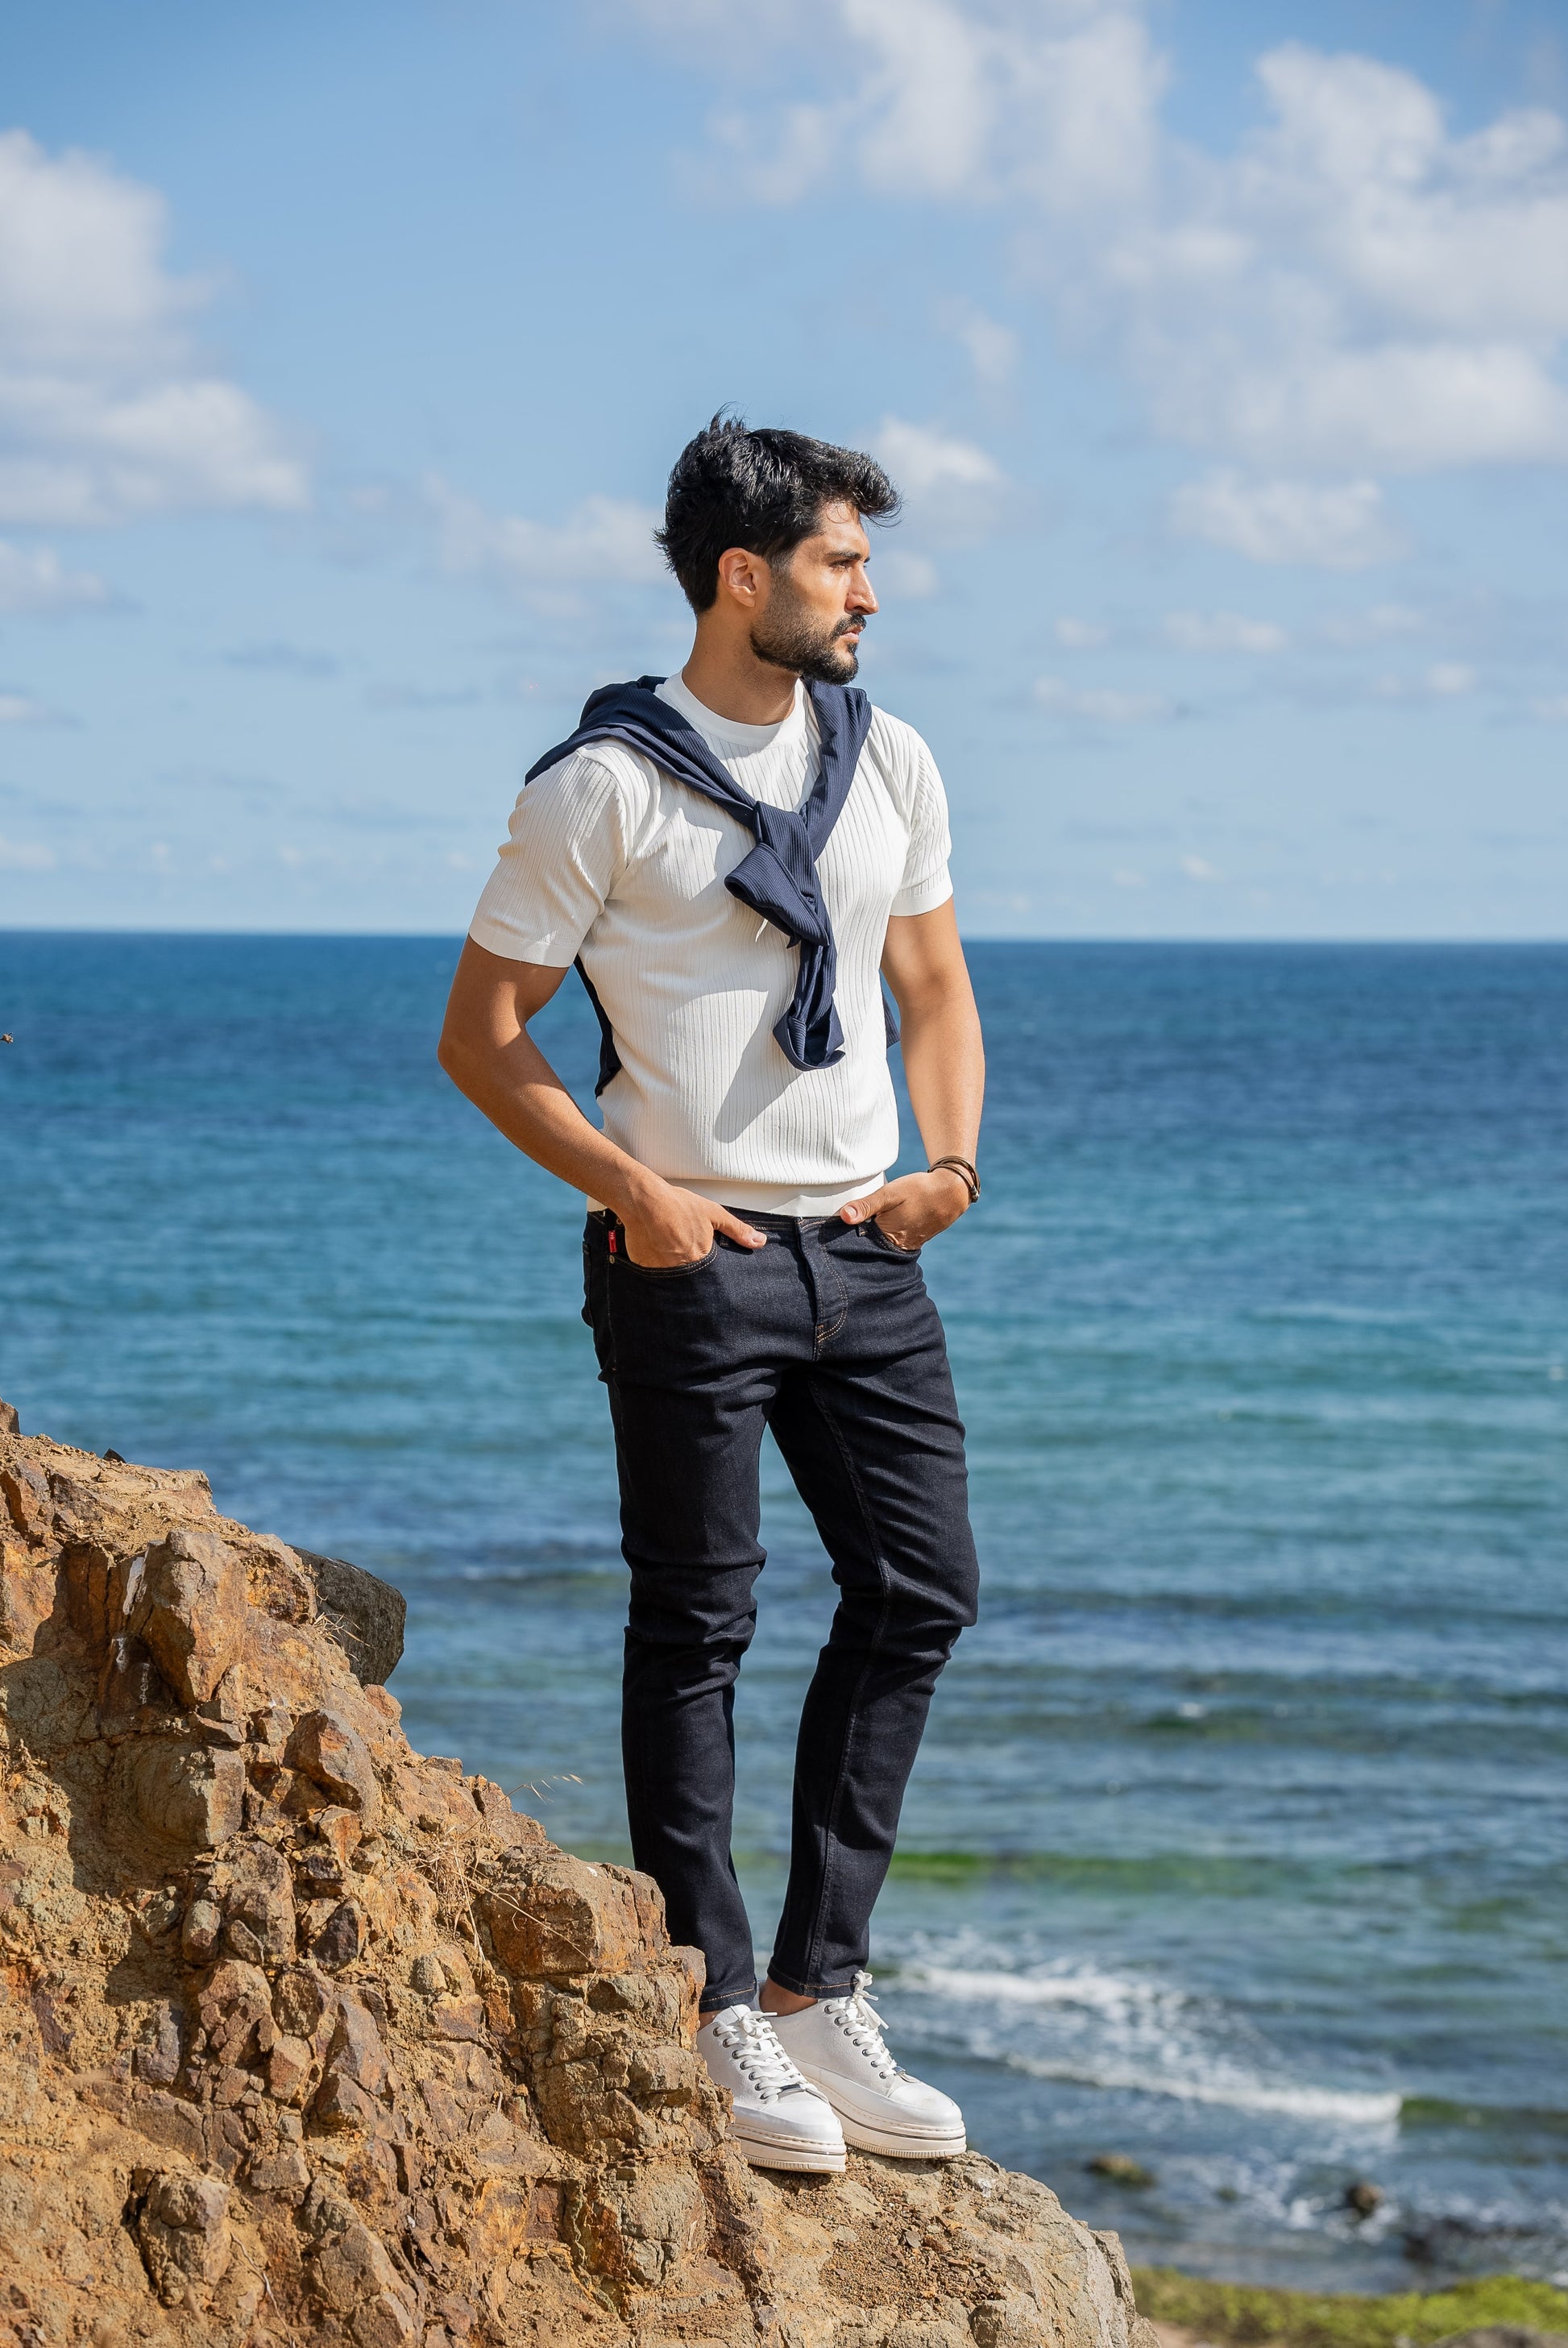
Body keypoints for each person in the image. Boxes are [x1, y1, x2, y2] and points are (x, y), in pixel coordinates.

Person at [438, 416, 985, 2174]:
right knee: (700, 1622)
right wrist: (637, 1194)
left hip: (869, 1248)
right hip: (698, 1257)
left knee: (921, 1588)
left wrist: (950, 1168)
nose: (867, 593)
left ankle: (826, 1987)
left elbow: (932, 985)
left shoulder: (888, 756)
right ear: (742, 575)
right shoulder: (598, 784)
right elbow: (483, 1037)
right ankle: (719, 1999)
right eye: (841, 563)